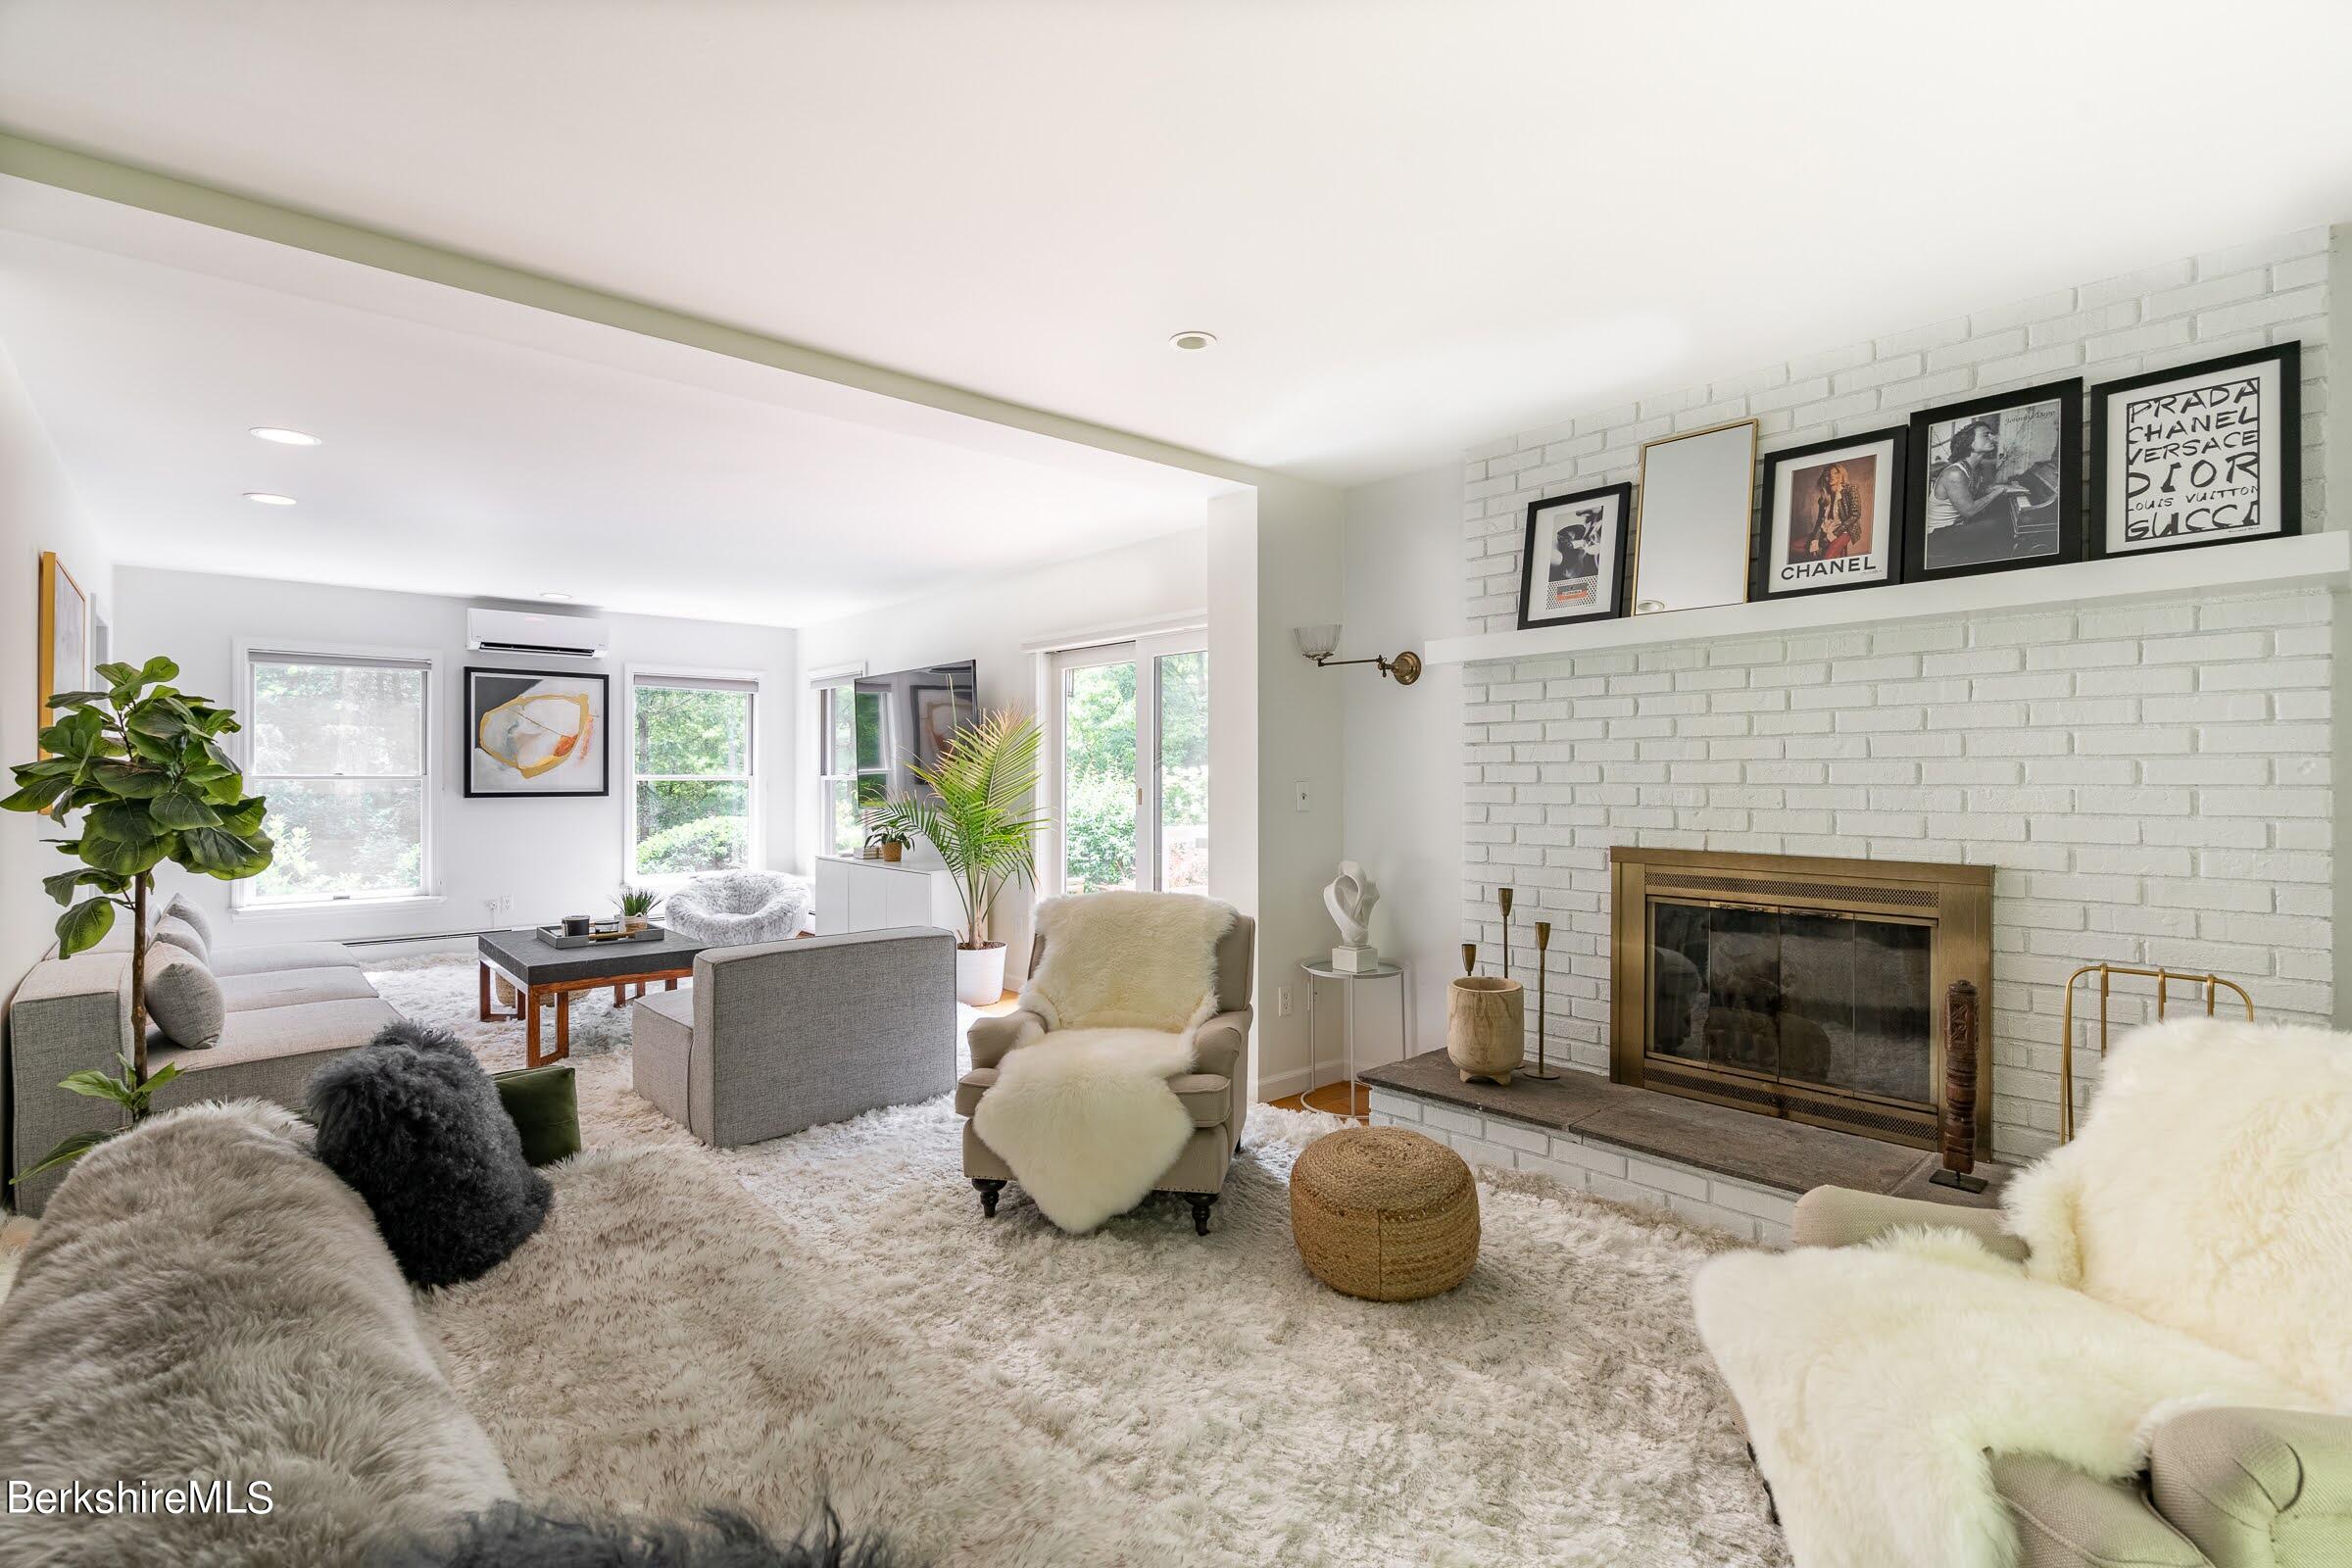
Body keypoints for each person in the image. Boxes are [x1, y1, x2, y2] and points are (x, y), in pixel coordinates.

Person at [1924, 421, 2027, 544]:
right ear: (1970, 443)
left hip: (1955, 527)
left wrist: (2006, 486)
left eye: (1991, 434)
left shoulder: (1973, 468)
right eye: (1986, 435)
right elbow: (1969, 511)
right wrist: (2000, 491)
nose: (1992, 438)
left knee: (2003, 515)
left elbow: (1980, 489)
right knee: (2003, 523)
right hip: (1938, 535)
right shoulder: (1955, 473)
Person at [1797, 465, 1862, 559]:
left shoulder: (1850, 490)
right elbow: (1820, 521)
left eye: (1836, 473)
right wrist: (1815, 542)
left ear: (1841, 475)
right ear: (1824, 478)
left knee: (1827, 559)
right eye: (1828, 474)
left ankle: (1823, 550)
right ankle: (1818, 552)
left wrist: (1832, 536)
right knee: (1793, 546)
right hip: (1827, 529)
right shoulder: (1824, 497)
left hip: (1844, 530)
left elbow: (1855, 515)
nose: (1832, 476)